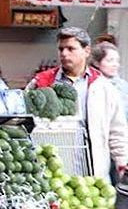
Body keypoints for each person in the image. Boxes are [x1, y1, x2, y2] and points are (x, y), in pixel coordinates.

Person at [26, 27, 128, 183]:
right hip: (51, 174)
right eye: (61, 49)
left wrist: (122, 163)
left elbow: (117, 131)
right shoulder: (42, 82)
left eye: (71, 49)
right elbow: (24, 122)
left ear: (86, 51)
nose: (64, 53)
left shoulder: (103, 87)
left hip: (94, 177)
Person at [91, 42, 128, 123]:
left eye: (117, 61)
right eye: (110, 60)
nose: (115, 64)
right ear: (96, 63)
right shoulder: (91, 85)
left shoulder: (123, 85)